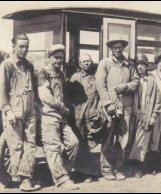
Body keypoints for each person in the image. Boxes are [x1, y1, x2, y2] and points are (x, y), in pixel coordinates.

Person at [0, 33, 41, 191]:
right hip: (13, 111)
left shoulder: (29, 65)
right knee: (16, 146)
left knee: (31, 144)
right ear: (13, 47)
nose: (24, 49)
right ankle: (20, 179)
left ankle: (26, 178)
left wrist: (35, 106)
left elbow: (33, 88)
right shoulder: (7, 65)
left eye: (26, 46)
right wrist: (8, 111)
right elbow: (0, 91)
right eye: (21, 46)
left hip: (29, 111)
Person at [37, 44, 79, 189]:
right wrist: (62, 107)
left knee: (73, 143)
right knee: (53, 147)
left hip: (61, 117)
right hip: (48, 115)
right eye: (56, 58)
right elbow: (45, 97)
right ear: (49, 58)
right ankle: (61, 180)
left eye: (61, 58)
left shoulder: (61, 74)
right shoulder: (43, 73)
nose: (58, 61)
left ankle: (63, 173)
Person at [95, 38, 138, 180]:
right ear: (111, 49)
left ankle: (119, 168)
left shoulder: (129, 64)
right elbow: (100, 85)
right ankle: (107, 170)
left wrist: (126, 86)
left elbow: (136, 81)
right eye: (115, 48)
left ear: (123, 48)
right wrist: (108, 104)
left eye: (120, 47)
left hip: (126, 107)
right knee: (108, 138)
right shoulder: (105, 63)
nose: (118, 50)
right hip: (110, 107)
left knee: (123, 140)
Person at [66, 53, 103, 182]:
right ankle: (77, 171)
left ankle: (88, 172)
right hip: (78, 115)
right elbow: (68, 96)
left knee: (90, 143)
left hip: (91, 114)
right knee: (79, 142)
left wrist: (99, 107)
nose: (87, 63)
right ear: (80, 64)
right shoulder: (75, 77)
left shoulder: (95, 77)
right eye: (84, 62)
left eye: (89, 61)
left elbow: (99, 94)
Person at [128, 56, 161, 178]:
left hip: (146, 115)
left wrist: (153, 115)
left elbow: (158, 99)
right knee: (132, 140)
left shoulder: (151, 80)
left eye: (143, 64)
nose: (140, 67)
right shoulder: (132, 79)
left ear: (146, 66)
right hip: (133, 115)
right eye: (138, 64)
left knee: (142, 141)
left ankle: (140, 168)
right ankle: (129, 166)